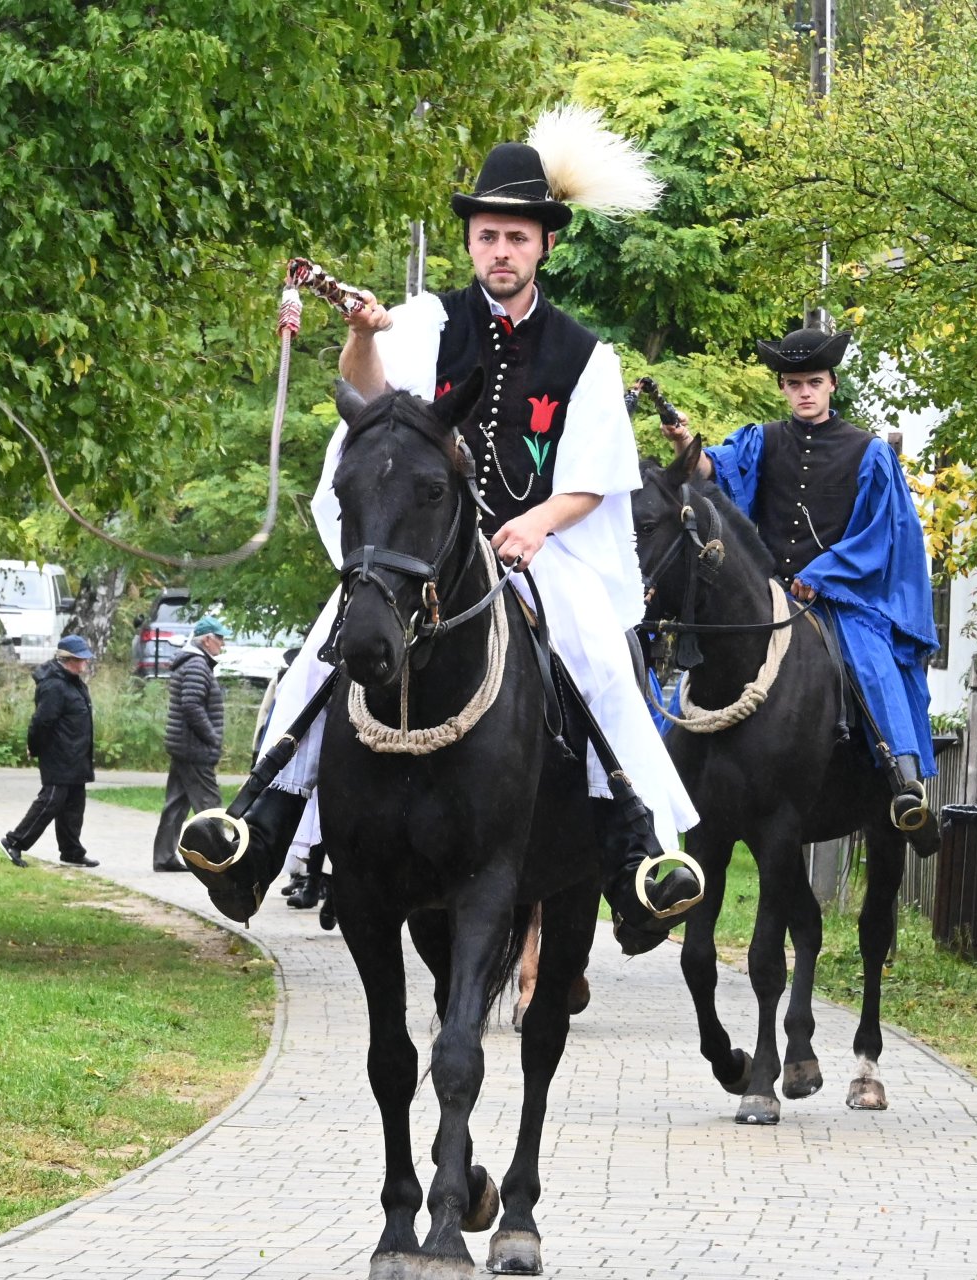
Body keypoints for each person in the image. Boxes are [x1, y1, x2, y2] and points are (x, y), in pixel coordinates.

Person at [203, 107, 704, 941]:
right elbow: (369, 396)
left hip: (533, 548)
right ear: (470, 243)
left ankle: (636, 859)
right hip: (425, 551)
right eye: (487, 236)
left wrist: (539, 523)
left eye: (516, 237)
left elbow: (596, 474)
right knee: (324, 650)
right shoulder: (426, 322)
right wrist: (361, 336)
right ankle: (260, 833)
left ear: (544, 246)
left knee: (601, 663)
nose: (500, 250)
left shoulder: (585, 355)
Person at [662, 326, 941, 851]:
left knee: (874, 667)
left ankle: (905, 784)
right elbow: (714, 471)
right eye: (794, 384)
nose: (804, 392)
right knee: (695, 675)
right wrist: (684, 444)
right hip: (768, 596)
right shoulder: (762, 440)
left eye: (814, 382)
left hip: (840, 599)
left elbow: (880, 534)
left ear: (832, 383)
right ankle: (659, 773)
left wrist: (822, 574)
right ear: (783, 388)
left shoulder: (870, 453)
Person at [0, 634, 99, 868]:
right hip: (59, 755)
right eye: (81, 659)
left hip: (76, 755)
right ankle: (14, 842)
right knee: (51, 801)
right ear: (69, 659)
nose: (86, 662)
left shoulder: (73, 681)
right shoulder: (54, 685)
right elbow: (41, 722)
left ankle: (71, 852)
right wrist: (34, 747)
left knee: (74, 804)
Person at [152, 616, 230, 872]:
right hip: (195, 748)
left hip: (184, 746)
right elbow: (191, 705)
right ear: (207, 640)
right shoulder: (197, 665)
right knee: (210, 803)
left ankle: (164, 857)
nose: (222, 644)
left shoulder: (193, 662)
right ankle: (220, 859)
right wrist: (212, 737)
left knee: (176, 804)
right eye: (220, 638)